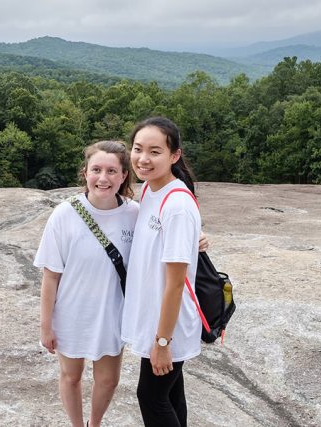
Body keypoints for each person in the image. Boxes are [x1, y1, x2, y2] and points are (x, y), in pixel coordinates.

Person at [34, 140, 138, 427]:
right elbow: (51, 275)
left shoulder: (134, 214)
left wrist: (199, 239)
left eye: (111, 171)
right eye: (96, 170)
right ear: (85, 172)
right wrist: (46, 325)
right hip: (71, 313)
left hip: (112, 314)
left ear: (123, 175)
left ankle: (95, 423)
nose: (103, 178)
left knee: (108, 380)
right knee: (71, 376)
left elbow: (164, 237)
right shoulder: (64, 215)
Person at [121, 117, 202, 426]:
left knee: (152, 397)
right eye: (138, 149)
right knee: (170, 395)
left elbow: (176, 284)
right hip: (155, 319)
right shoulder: (150, 191)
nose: (144, 158)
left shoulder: (177, 204)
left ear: (174, 156)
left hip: (167, 325)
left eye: (155, 151)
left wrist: (163, 342)